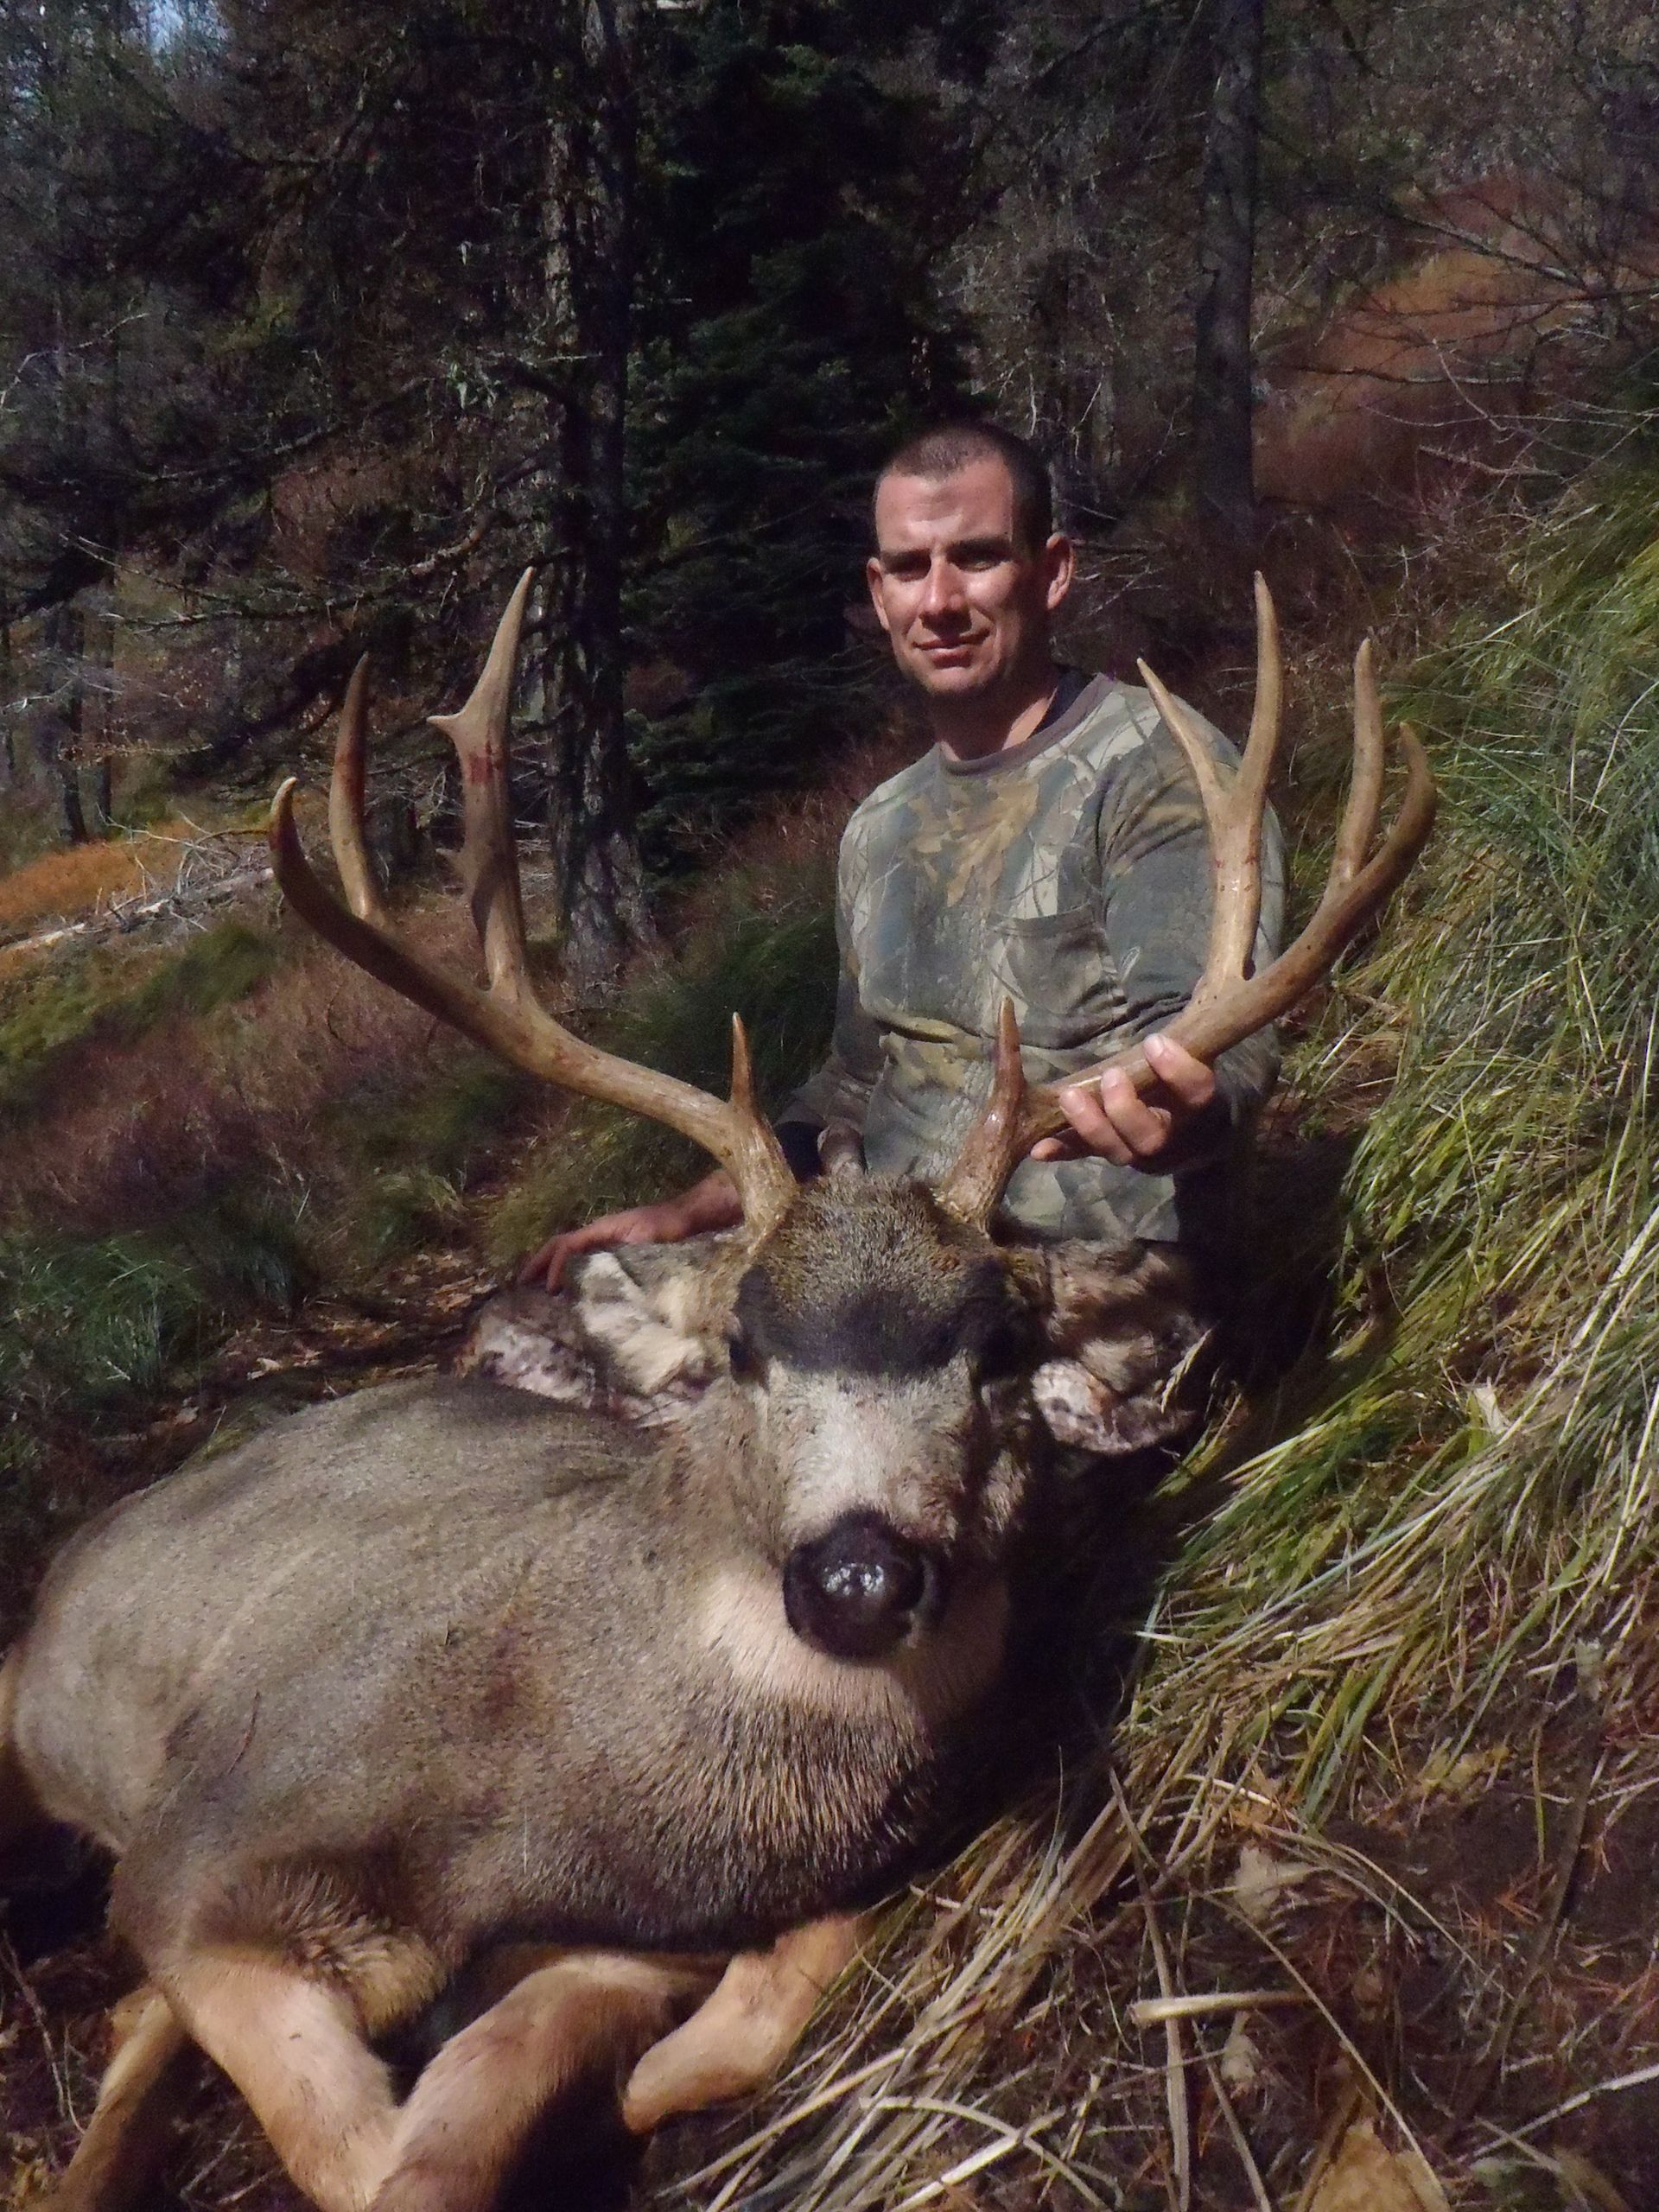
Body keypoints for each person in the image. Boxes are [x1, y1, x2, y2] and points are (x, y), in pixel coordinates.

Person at [521, 420, 1282, 1303]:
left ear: (1053, 570)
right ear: (878, 593)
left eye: (979, 557)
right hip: (888, 1270)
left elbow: (1218, 1039)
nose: (941, 601)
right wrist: (695, 1210)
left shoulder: (1157, 772)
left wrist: (1184, 1120)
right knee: (580, 1311)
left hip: (1086, 1289)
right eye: (912, 568)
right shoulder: (880, 828)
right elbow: (854, 1085)